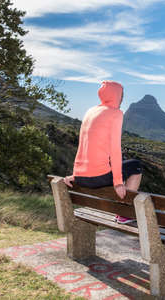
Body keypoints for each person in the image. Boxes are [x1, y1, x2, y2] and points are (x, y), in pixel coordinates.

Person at [63, 81, 142, 224]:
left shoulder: (90, 111)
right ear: (115, 96)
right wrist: (118, 183)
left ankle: (122, 211)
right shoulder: (115, 113)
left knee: (121, 165)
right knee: (136, 166)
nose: (122, 98)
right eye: (121, 95)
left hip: (81, 177)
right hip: (97, 178)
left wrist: (76, 174)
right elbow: (115, 150)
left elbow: (84, 144)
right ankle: (124, 213)